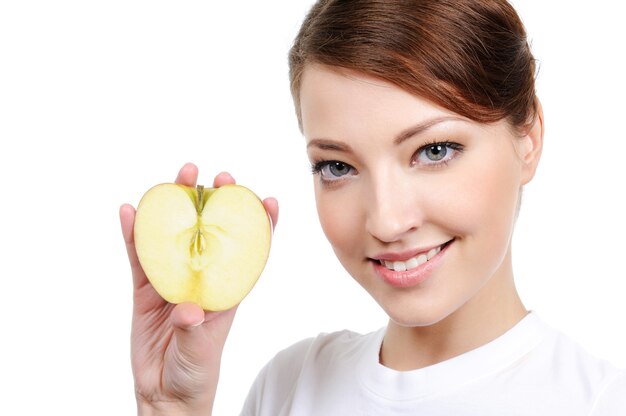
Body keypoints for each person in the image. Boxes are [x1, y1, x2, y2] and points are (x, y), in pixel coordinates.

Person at [120, 0, 626, 414]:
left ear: (529, 139)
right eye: (337, 166)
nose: (386, 220)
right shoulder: (289, 388)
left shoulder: (598, 403)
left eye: (434, 151)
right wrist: (170, 406)